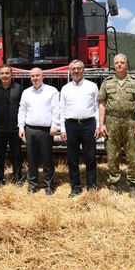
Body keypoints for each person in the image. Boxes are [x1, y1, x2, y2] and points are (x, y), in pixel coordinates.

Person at [98, 54, 135, 197]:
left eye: (122, 62)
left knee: (132, 155)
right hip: (112, 122)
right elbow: (102, 104)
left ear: (127, 64)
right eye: (116, 62)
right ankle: (114, 185)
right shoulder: (107, 82)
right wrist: (102, 124)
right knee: (112, 155)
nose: (119, 65)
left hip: (130, 121)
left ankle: (133, 186)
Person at [60, 59, 100, 198]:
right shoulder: (65, 88)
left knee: (90, 157)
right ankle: (75, 187)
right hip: (71, 125)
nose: (76, 71)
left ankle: (91, 187)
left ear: (83, 70)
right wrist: (63, 129)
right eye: (73, 69)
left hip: (89, 125)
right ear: (70, 71)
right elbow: (62, 110)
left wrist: (99, 126)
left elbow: (97, 108)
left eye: (78, 68)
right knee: (72, 158)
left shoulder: (92, 86)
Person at [18, 67, 60, 195]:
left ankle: (49, 186)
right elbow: (22, 110)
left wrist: (55, 125)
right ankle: (32, 185)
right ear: (30, 78)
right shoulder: (26, 92)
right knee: (31, 159)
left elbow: (56, 110)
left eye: (37, 75)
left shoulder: (51, 91)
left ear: (43, 77)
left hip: (46, 130)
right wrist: (21, 126)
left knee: (47, 159)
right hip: (30, 129)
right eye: (33, 76)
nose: (35, 78)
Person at [0, 64, 24, 186]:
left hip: (15, 129)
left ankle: (17, 179)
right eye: (2, 73)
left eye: (7, 73)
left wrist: (22, 126)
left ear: (11, 74)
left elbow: (23, 109)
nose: (4, 76)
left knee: (17, 155)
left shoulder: (19, 89)